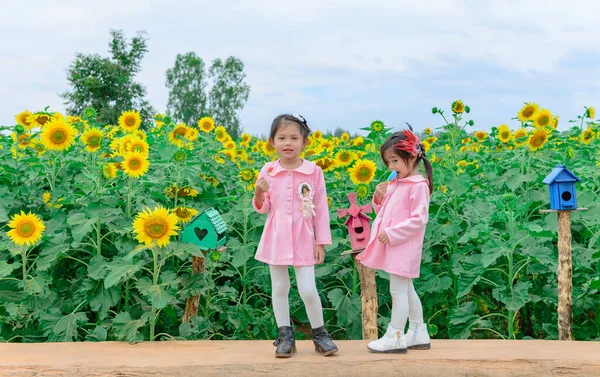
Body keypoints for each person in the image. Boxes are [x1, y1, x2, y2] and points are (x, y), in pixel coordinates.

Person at [253, 114, 338, 358]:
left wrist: (321, 241)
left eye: (293, 138)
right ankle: (285, 336)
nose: (287, 143)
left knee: (308, 290)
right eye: (281, 138)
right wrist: (258, 193)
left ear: (305, 142)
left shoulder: (313, 171)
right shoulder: (268, 170)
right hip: (276, 236)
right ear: (272, 141)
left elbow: (320, 208)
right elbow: (263, 206)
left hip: (304, 238)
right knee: (279, 287)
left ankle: (320, 334)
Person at [356, 128, 434, 353]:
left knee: (398, 293)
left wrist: (392, 233)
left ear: (412, 158)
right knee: (407, 290)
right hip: (395, 246)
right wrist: (379, 198)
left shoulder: (418, 186)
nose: (391, 167)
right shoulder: (398, 183)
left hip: (403, 247)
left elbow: (419, 219)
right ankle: (418, 332)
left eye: (395, 161)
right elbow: (388, 212)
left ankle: (395, 336)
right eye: (388, 162)